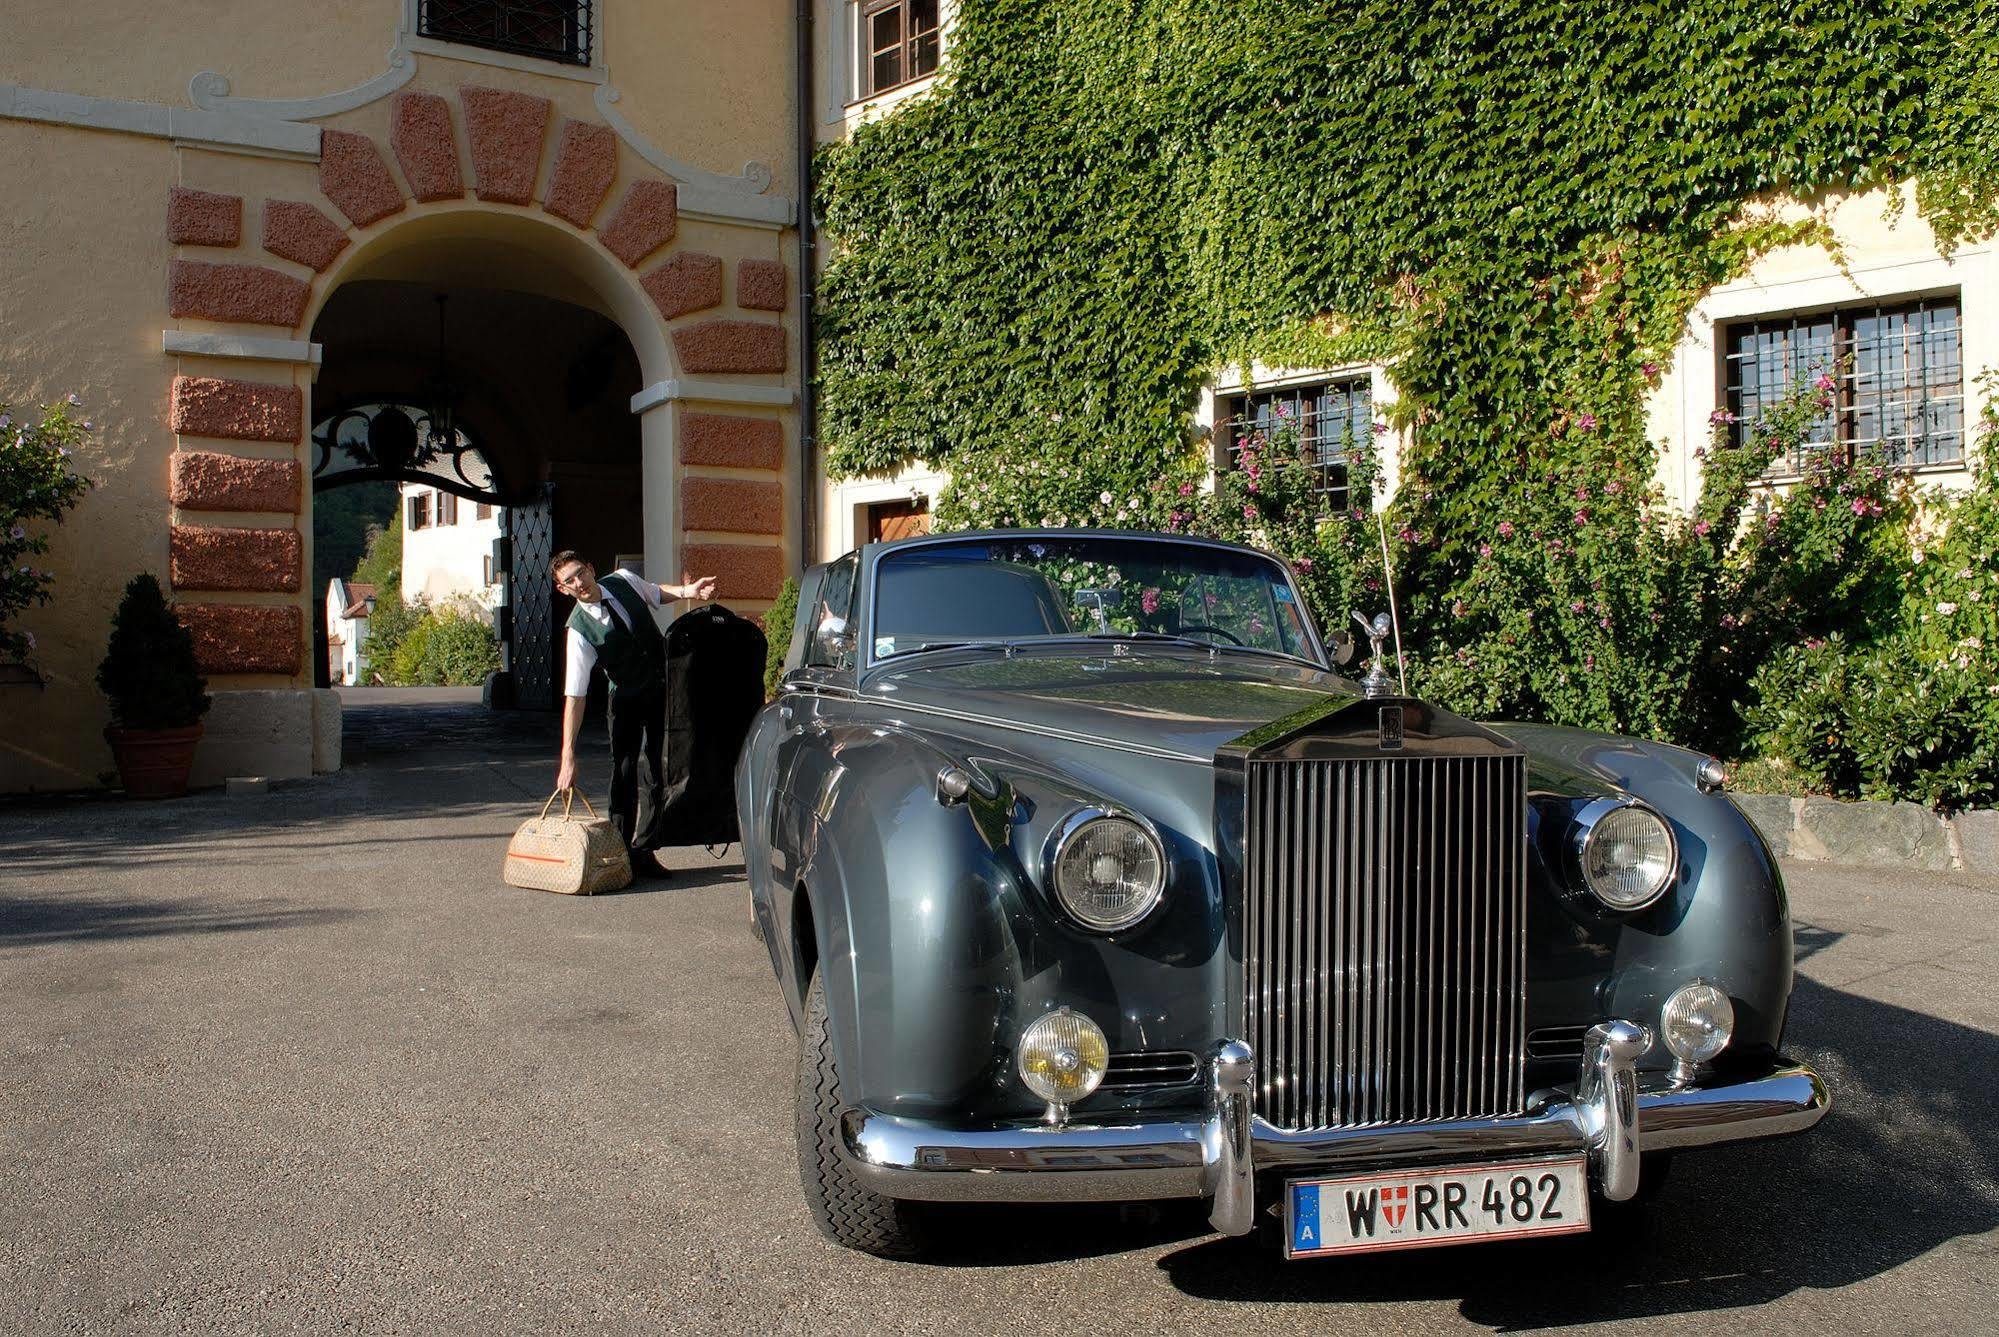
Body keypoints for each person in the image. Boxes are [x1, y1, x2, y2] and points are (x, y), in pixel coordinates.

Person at [551, 551, 717, 874]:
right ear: (563, 589)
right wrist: (567, 755)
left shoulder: (623, 581)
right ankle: (618, 852)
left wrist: (688, 592)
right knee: (624, 772)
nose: (578, 583)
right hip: (624, 699)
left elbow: (654, 593)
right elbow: (575, 697)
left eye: (580, 573)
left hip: (659, 689)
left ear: (590, 568)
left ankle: (645, 851)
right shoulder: (579, 631)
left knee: (657, 768)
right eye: (569, 581)